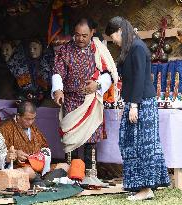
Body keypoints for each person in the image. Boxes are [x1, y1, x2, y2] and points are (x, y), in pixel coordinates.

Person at [105, 16, 170, 200]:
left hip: (142, 104)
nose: (114, 41)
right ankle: (140, 186)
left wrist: (134, 105)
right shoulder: (129, 49)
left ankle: (146, 189)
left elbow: (141, 78)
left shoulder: (138, 47)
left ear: (120, 31)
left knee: (143, 146)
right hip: (134, 103)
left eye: (113, 37)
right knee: (130, 144)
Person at [52, 17, 118, 185]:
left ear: (92, 33)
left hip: (91, 100)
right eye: (77, 35)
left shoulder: (99, 49)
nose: (80, 39)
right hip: (71, 101)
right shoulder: (65, 50)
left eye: (84, 35)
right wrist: (58, 90)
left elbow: (109, 73)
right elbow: (58, 72)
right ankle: (73, 176)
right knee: (71, 139)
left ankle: (90, 176)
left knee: (90, 139)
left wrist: (97, 85)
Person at [0, 101, 69, 184]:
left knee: (66, 166)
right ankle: (43, 182)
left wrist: (42, 155)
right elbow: (0, 155)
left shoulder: (33, 128)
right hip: (20, 168)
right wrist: (16, 154)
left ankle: (42, 181)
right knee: (28, 172)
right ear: (18, 116)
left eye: (33, 119)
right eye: (27, 119)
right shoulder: (5, 129)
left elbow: (44, 147)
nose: (31, 122)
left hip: (39, 168)